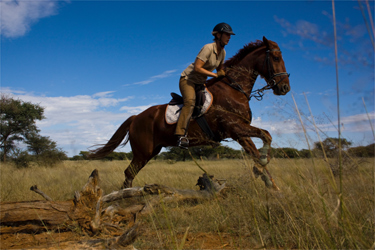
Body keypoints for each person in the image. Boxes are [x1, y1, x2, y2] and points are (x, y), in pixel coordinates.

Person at [175, 22, 235, 149]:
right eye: (227, 35)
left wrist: (226, 74)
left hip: (200, 82)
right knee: (190, 102)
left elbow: (220, 70)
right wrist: (215, 75)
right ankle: (181, 136)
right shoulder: (208, 48)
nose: (229, 37)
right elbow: (197, 68)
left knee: (211, 104)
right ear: (218, 35)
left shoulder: (223, 52)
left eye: (230, 35)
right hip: (188, 80)